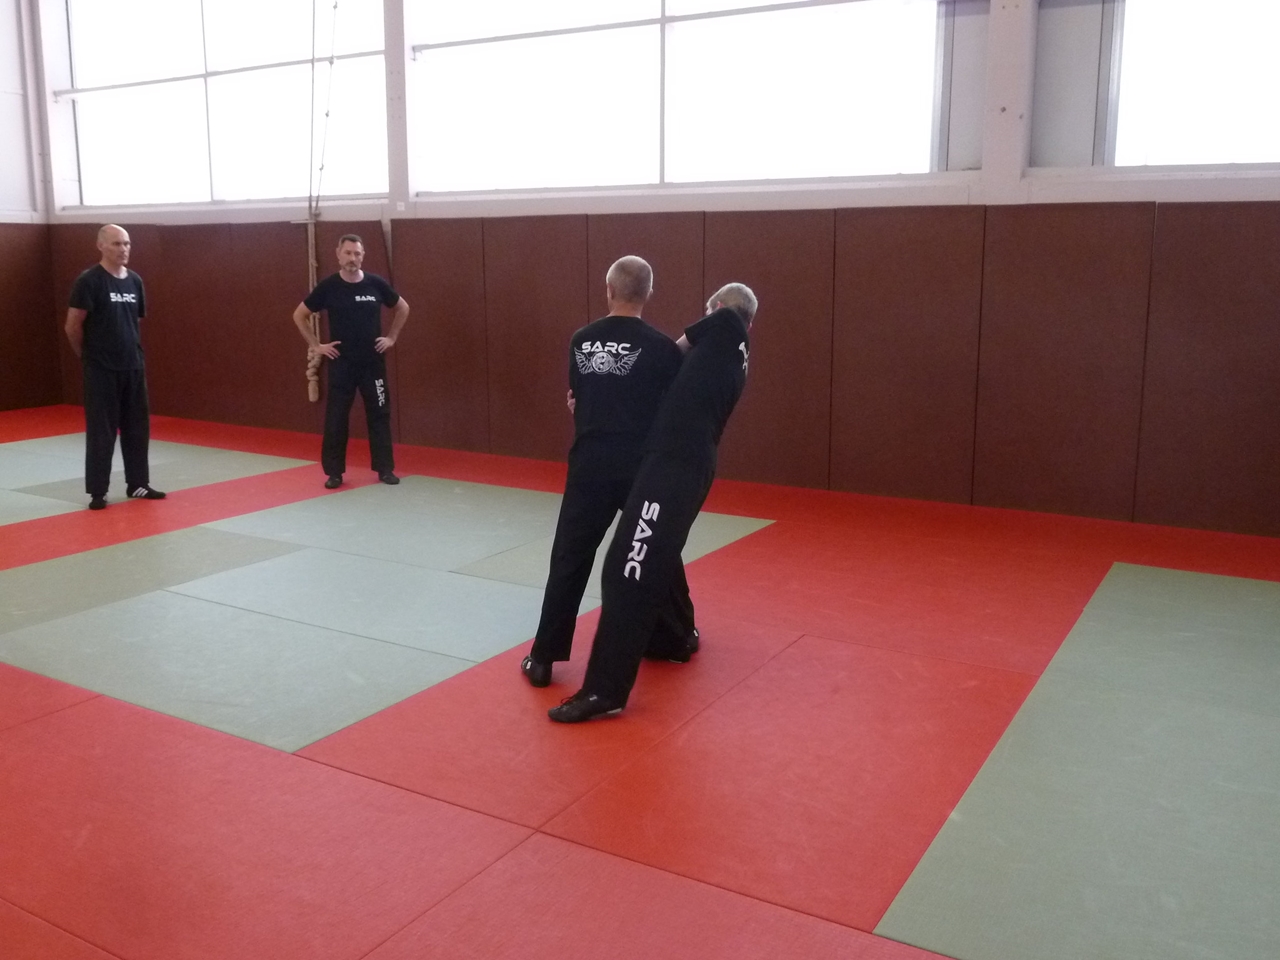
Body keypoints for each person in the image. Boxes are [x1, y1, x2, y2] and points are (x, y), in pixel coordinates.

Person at [549, 282, 758, 723]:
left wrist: (617, 382)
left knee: (628, 568)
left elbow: (669, 353)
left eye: (708, 309)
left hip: (675, 468)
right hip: (678, 463)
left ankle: (605, 691)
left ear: (719, 307)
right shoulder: (729, 353)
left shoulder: (725, 322)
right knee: (652, 559)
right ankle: (676, 638)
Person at [522, 256, 687, 688]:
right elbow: (671, 410)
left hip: (589, 465)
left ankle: (543, 657)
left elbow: (579, 398)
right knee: (652, 549)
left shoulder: (582, 340)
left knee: (570, 558)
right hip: (639, 468)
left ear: (609, 290)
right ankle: (674, 637)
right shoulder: (663, 349)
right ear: (648, 293)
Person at [292, 234, 410, 488]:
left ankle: (385, 469)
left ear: (362, 256)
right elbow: (299, 315)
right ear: (338, 254)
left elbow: (403, 307)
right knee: (336, 417)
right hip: (342, 364)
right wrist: (316, 345)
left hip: (373, 364)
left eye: (357, 253)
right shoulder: (329, 287)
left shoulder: (375, 284)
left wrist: (391, 337)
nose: (352, 258)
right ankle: (334, 473)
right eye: (347, 253)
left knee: (379, 414)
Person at [65, 224, 165, 511]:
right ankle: (98, 491)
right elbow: (73, 325)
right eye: (117, 244)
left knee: (137, 429)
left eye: (127, 243)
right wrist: (88, 357)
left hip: (132, 366)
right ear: (101, 246)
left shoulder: (134, 281)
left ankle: (138, 483)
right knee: (102, 431)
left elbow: (134, 321)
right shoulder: (89, 281)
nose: (124, 249)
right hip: (101, 369)